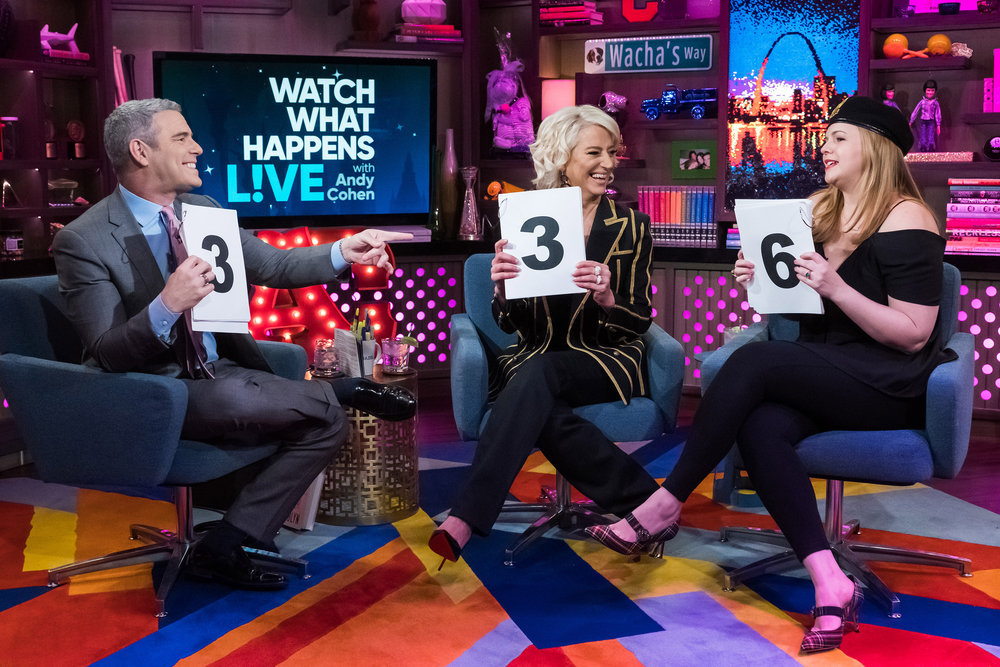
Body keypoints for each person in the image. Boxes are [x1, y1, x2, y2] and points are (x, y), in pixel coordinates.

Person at [586, 96, 951, 654]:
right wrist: (760, 281)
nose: (824, 145)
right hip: (827, 367)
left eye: (839, 138)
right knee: (760, 426)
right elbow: (802, 306)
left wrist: (835, 286)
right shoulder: (820, 209)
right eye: (826, 137)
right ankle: (830, 582)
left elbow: (913, 333)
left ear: (875, 148)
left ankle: (666, 502)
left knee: (753, 361)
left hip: (886, 381)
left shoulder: (907, 216)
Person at [52, 98, 416, 591]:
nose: (197, 148)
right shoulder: (85, 239)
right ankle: (345, 390)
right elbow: (106, 351)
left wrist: (342, 251)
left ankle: (230, 541)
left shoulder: (202, 210)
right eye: (181, 138)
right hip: (151, 388)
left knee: (325, 424)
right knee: (244, 396)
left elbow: (274, 265)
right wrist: (167, 304)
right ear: (140, 150)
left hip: (215, 371)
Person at [427, 105, 663, 566]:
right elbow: (511, 325)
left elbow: (640, 319)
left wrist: (610, 299)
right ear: (562, 159)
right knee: (542, 397)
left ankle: (466, 515)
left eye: (611, 152)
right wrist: (501, 288)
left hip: (603, 359)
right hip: (536, 357)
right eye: (594, 152)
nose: (608, 163)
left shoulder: (632, 226)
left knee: (538, 377)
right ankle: (644, 504)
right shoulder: (524, 217)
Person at [909, 79, 941, 152]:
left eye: (932, 90)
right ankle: (923, 147)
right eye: (928, 90)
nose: (930, 92)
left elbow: (938, 113)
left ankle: (931, 147)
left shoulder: (935, 102)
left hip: (931, 121)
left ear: (935, 91)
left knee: (931, 135)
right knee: (923, 135)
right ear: (925, 91)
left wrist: (938, 124)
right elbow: (916, 110)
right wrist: (911, 120)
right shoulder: (922, 102)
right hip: (923, 121)